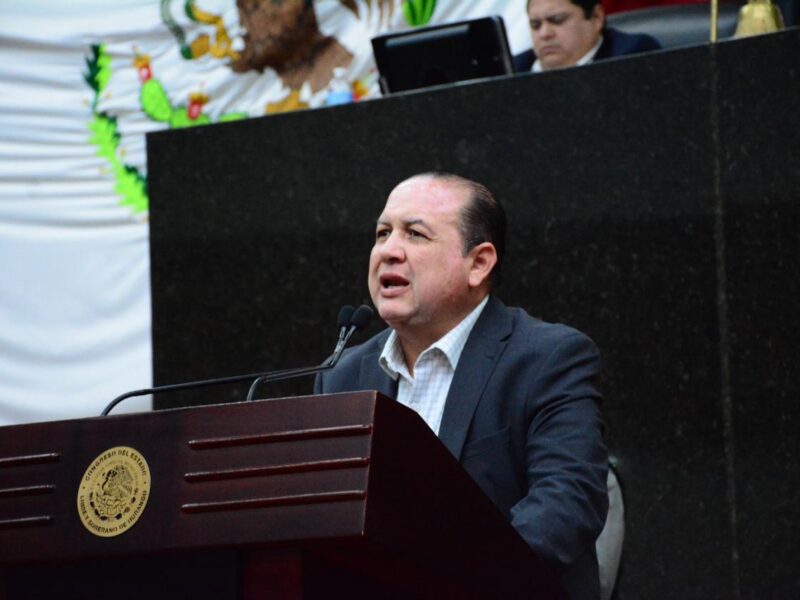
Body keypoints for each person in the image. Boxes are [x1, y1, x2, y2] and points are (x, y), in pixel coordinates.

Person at [315, 172, 608, 600]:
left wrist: (450, 585)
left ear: (479, 263)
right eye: (382, 233)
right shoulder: (342, 375)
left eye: (415, 234)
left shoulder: (547, 358)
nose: (388, 251)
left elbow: (567, 501)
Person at [514, 0, 661, 72]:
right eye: (535, 25)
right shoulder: (513, 70)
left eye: (558, 20)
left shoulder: (630, 55)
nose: (544, 34)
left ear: (597, 18)